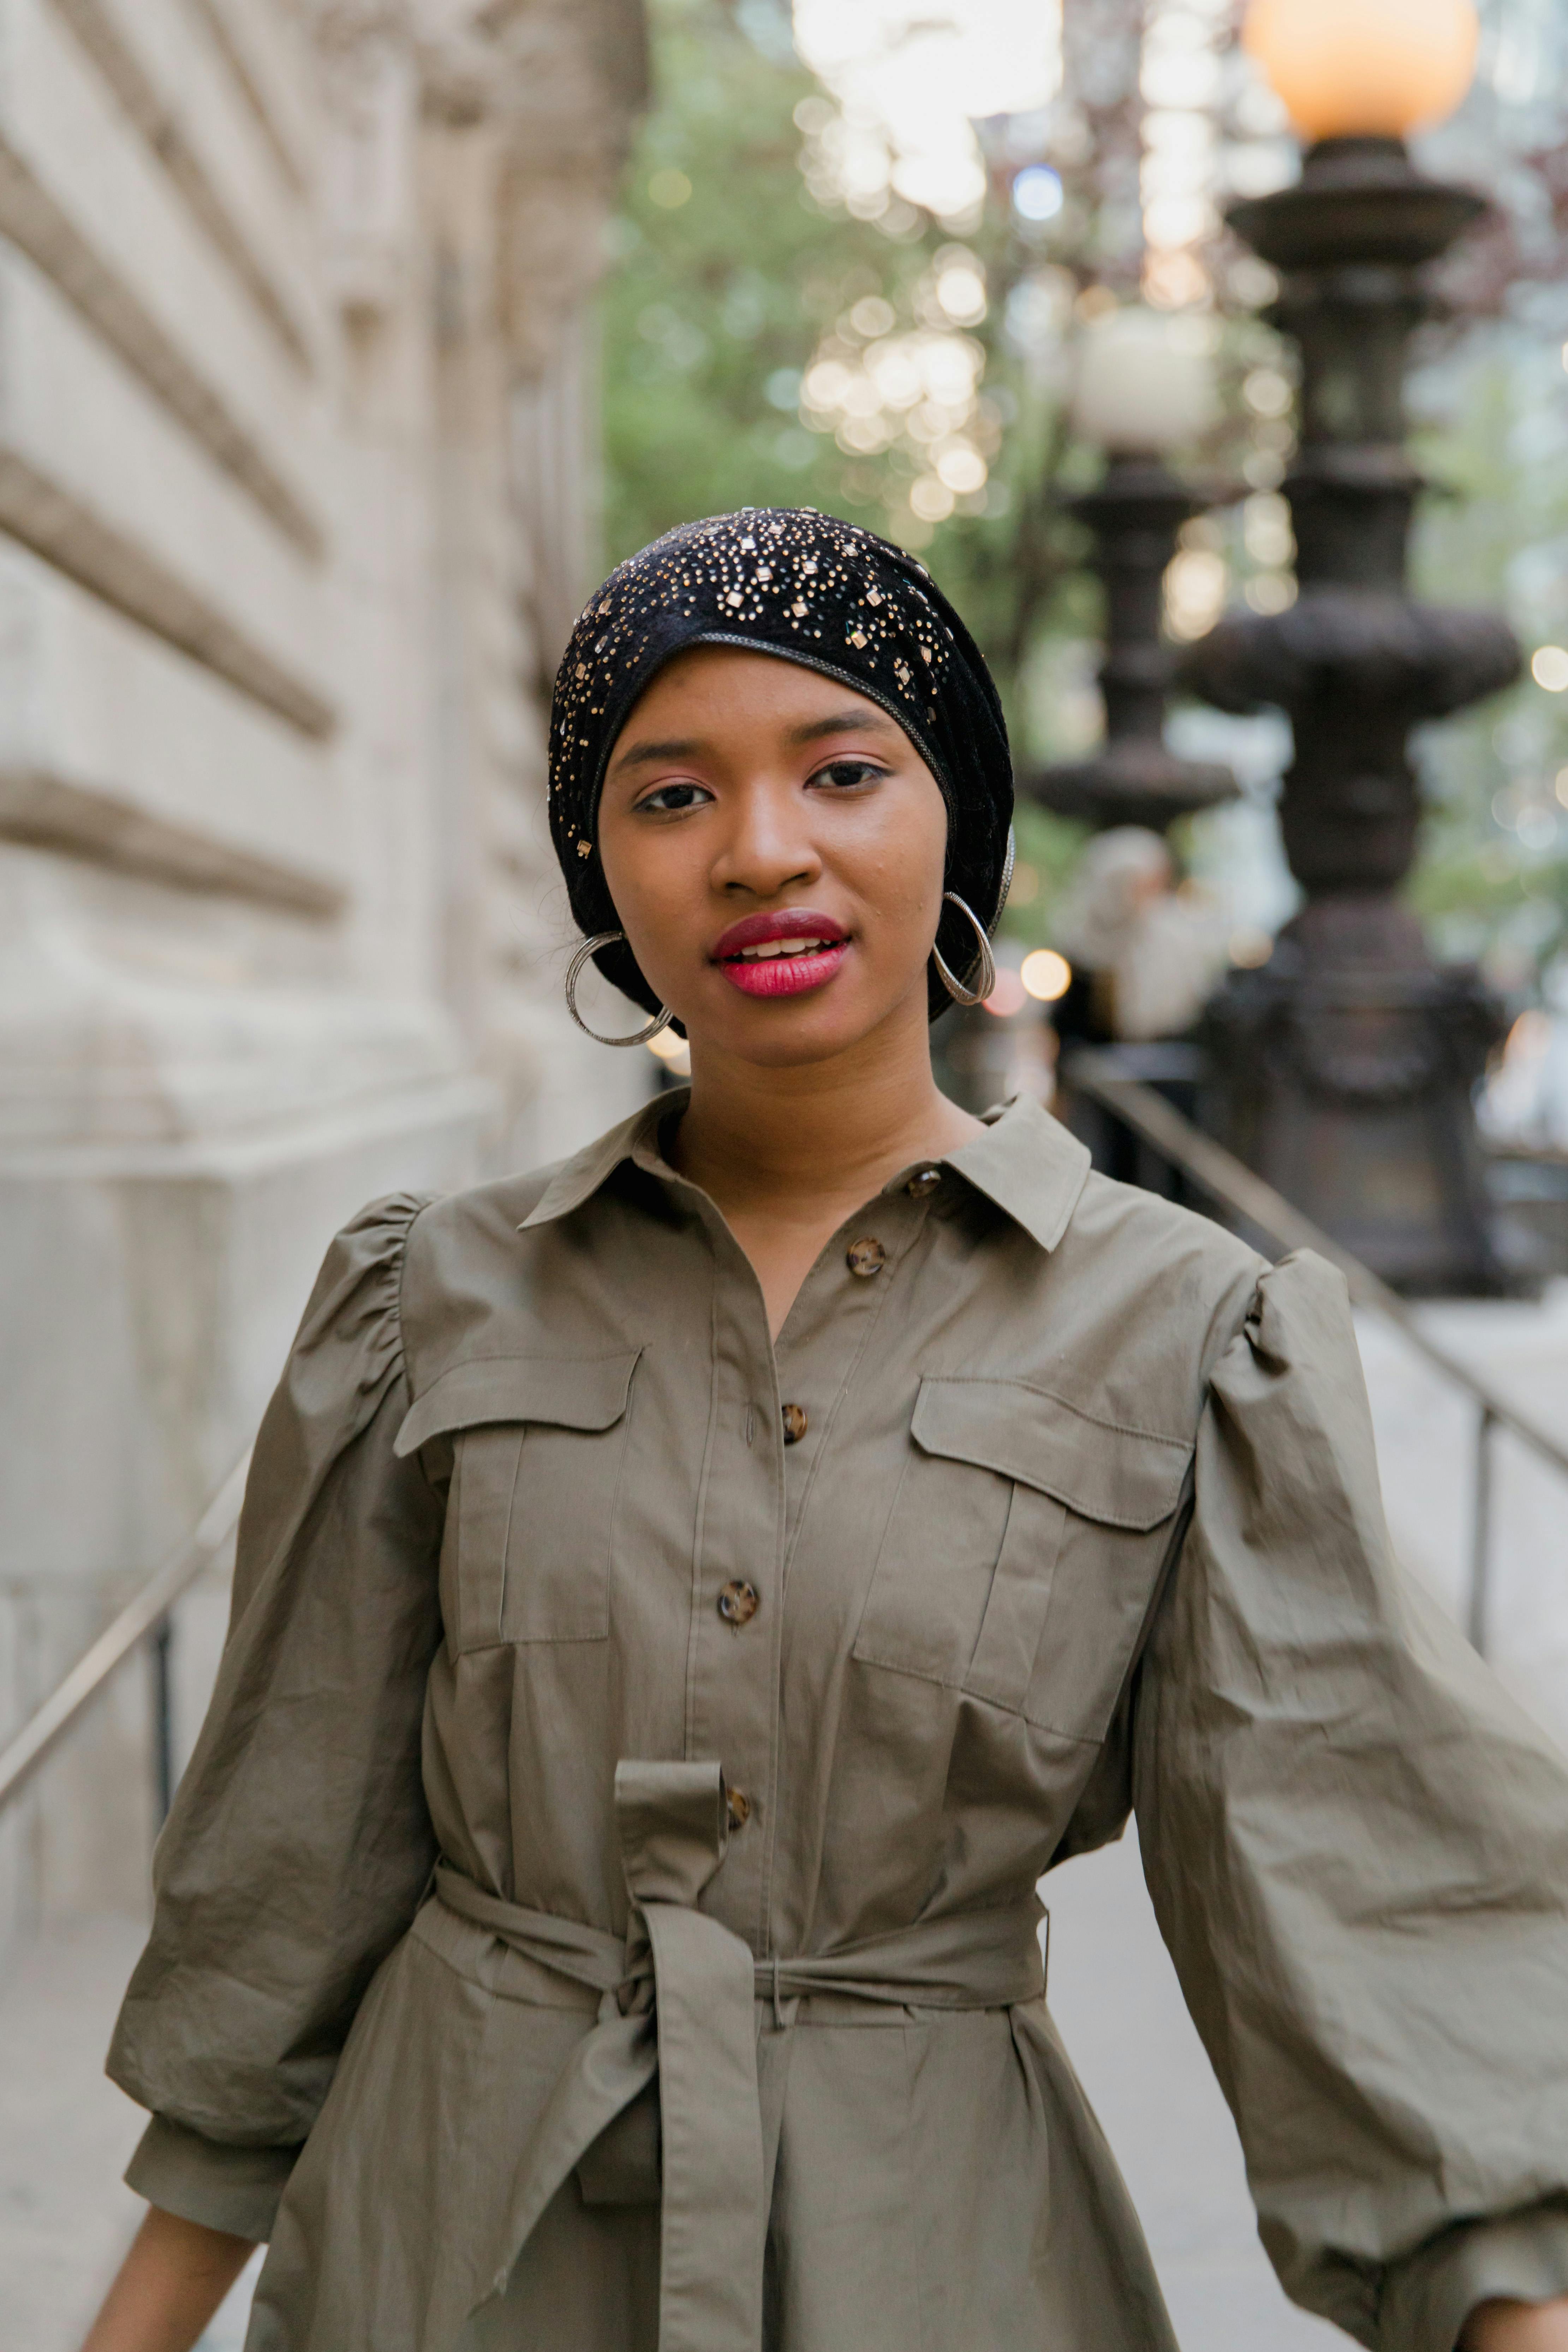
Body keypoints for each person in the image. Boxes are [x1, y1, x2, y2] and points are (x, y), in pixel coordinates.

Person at [85, 510, 1568, 2352]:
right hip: (450, 2244)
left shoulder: (1188, 1332)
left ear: (952, 820)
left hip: (935, 2251)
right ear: (598, 874)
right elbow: (291, 1873)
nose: (761, 850)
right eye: (671, 793)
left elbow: (1367, 1896)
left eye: (844, 768)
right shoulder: (428, 1300)